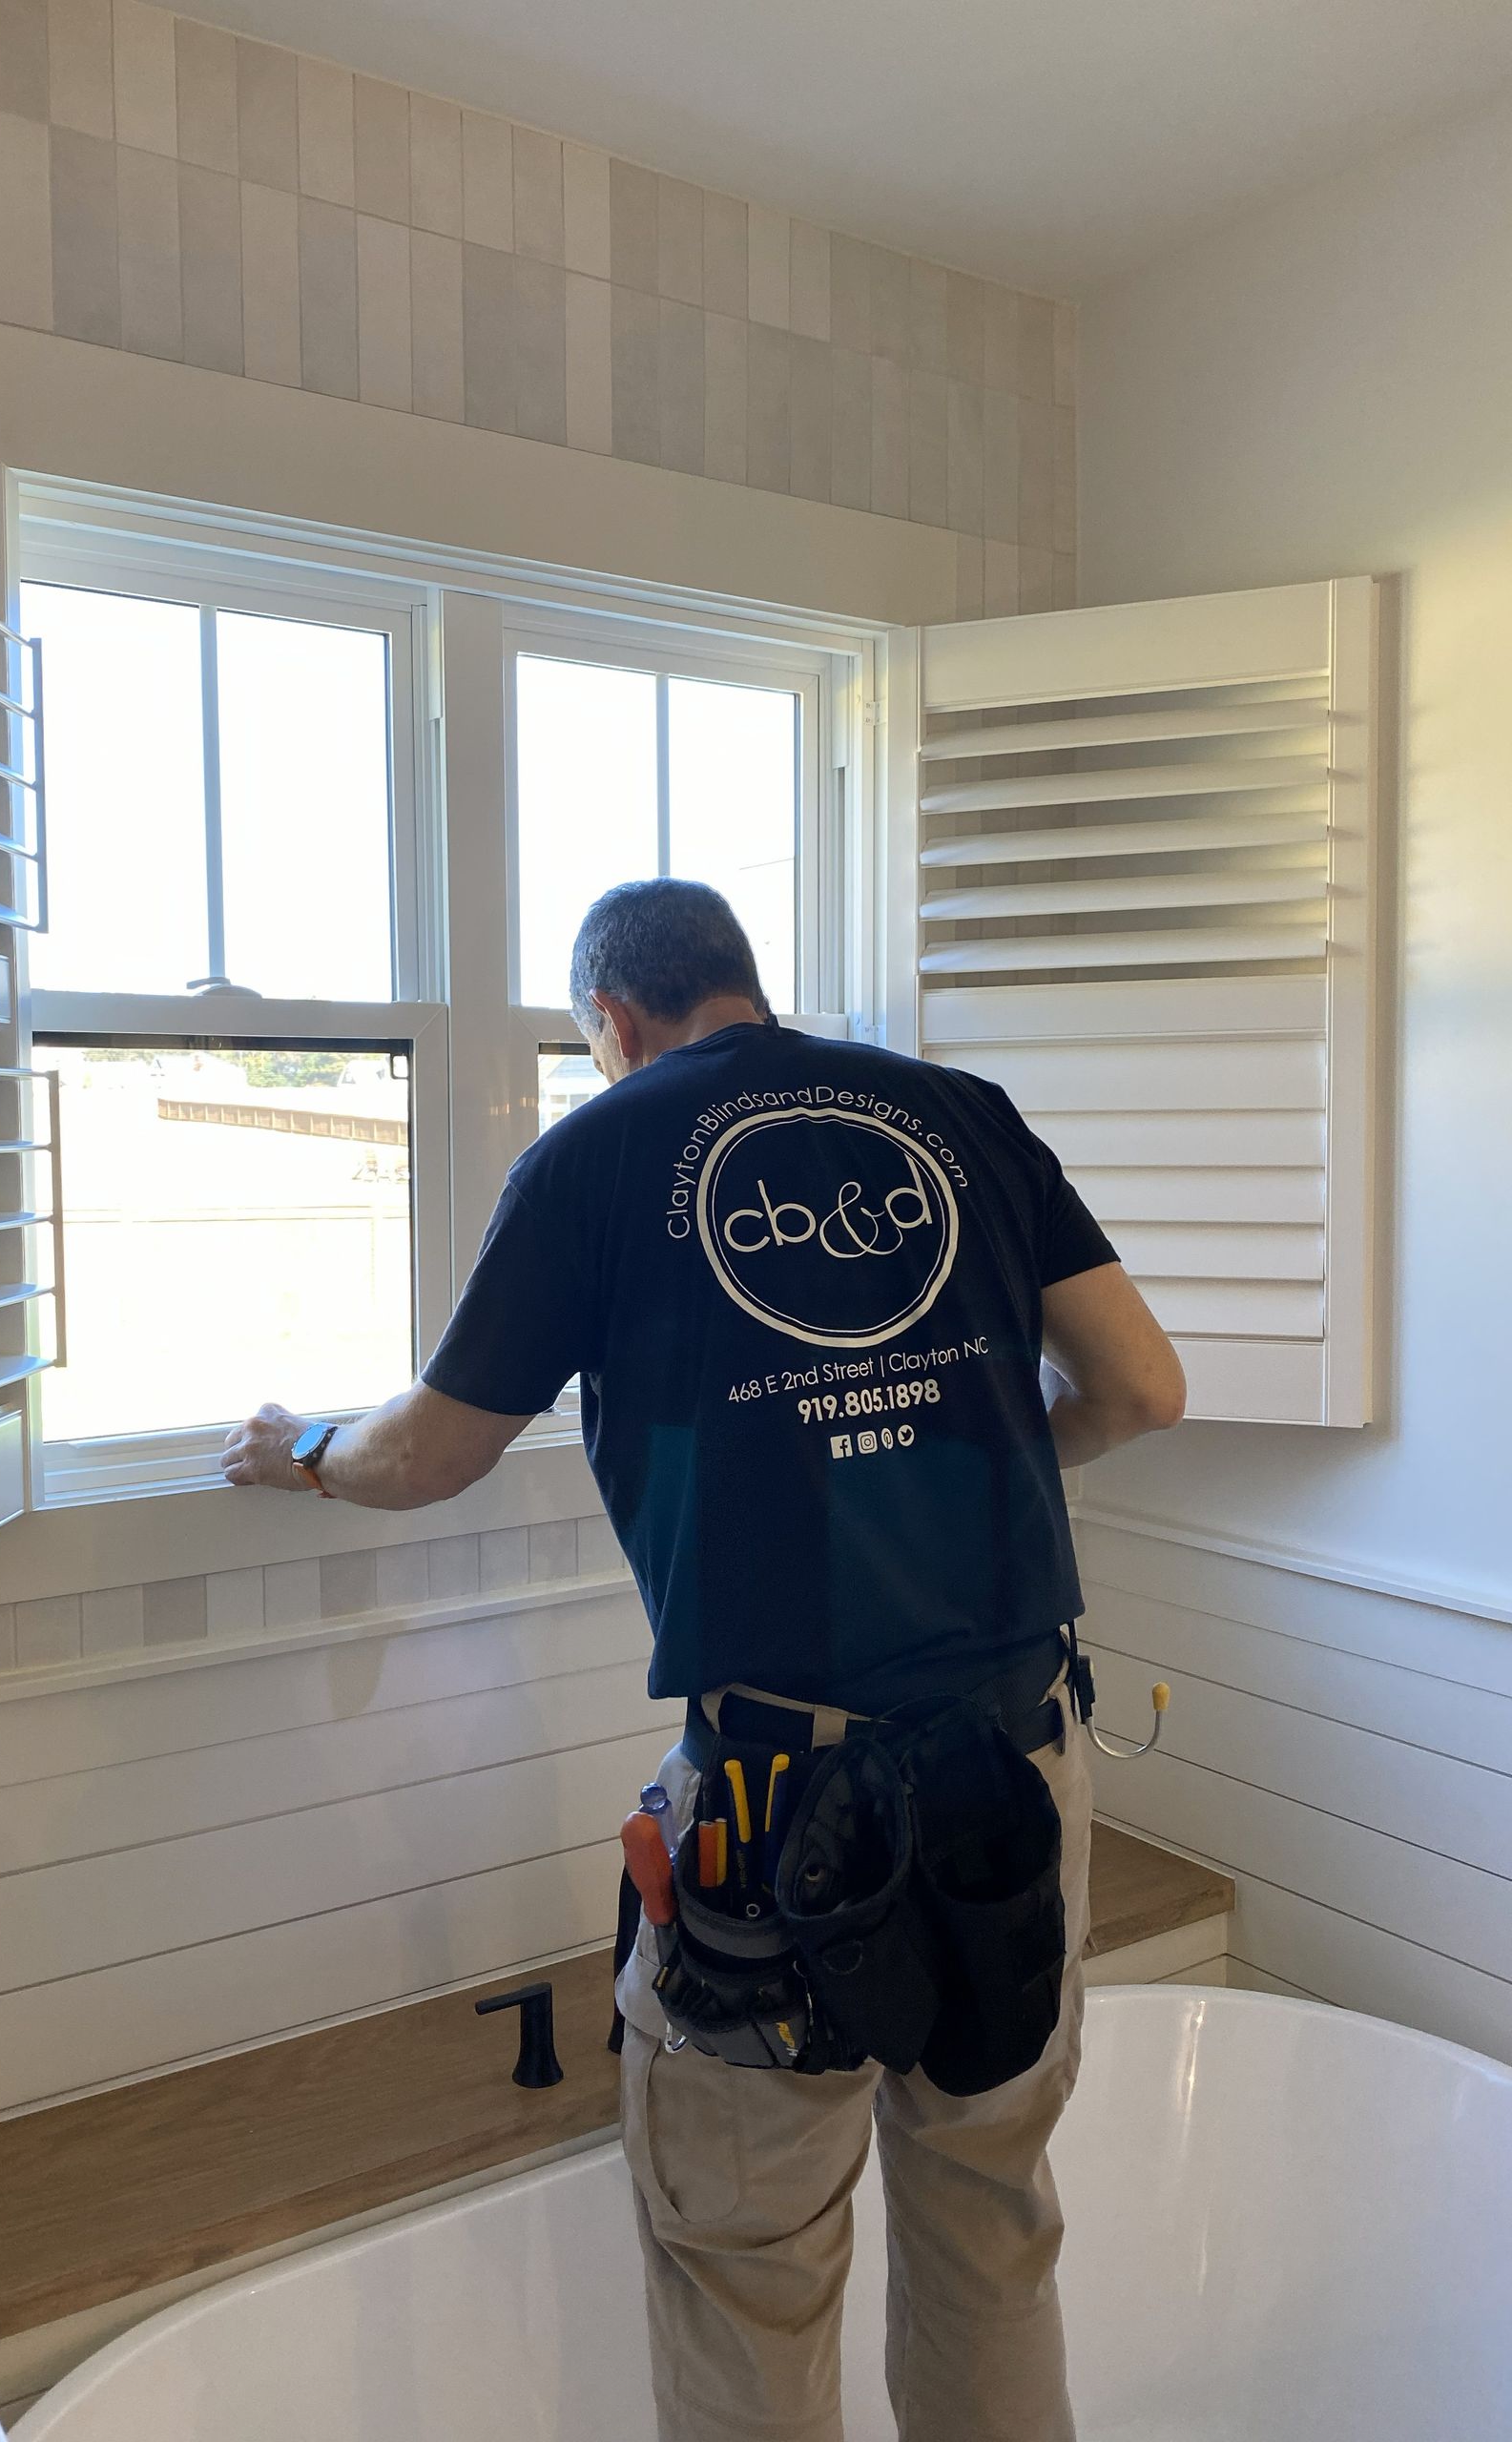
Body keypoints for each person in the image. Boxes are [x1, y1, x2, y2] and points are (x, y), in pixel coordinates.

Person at [223, 877, 1186, 2442]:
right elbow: (1144, 1388)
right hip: (1024, 1768)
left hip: (783, 1810)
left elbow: (437, 1453)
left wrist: (304, 1448)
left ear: (611, 1018)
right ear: (748, 982)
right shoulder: (961, 1114)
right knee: (991, 2230)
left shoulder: (596, 1156)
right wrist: (958, 1467)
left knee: (752, 2271)